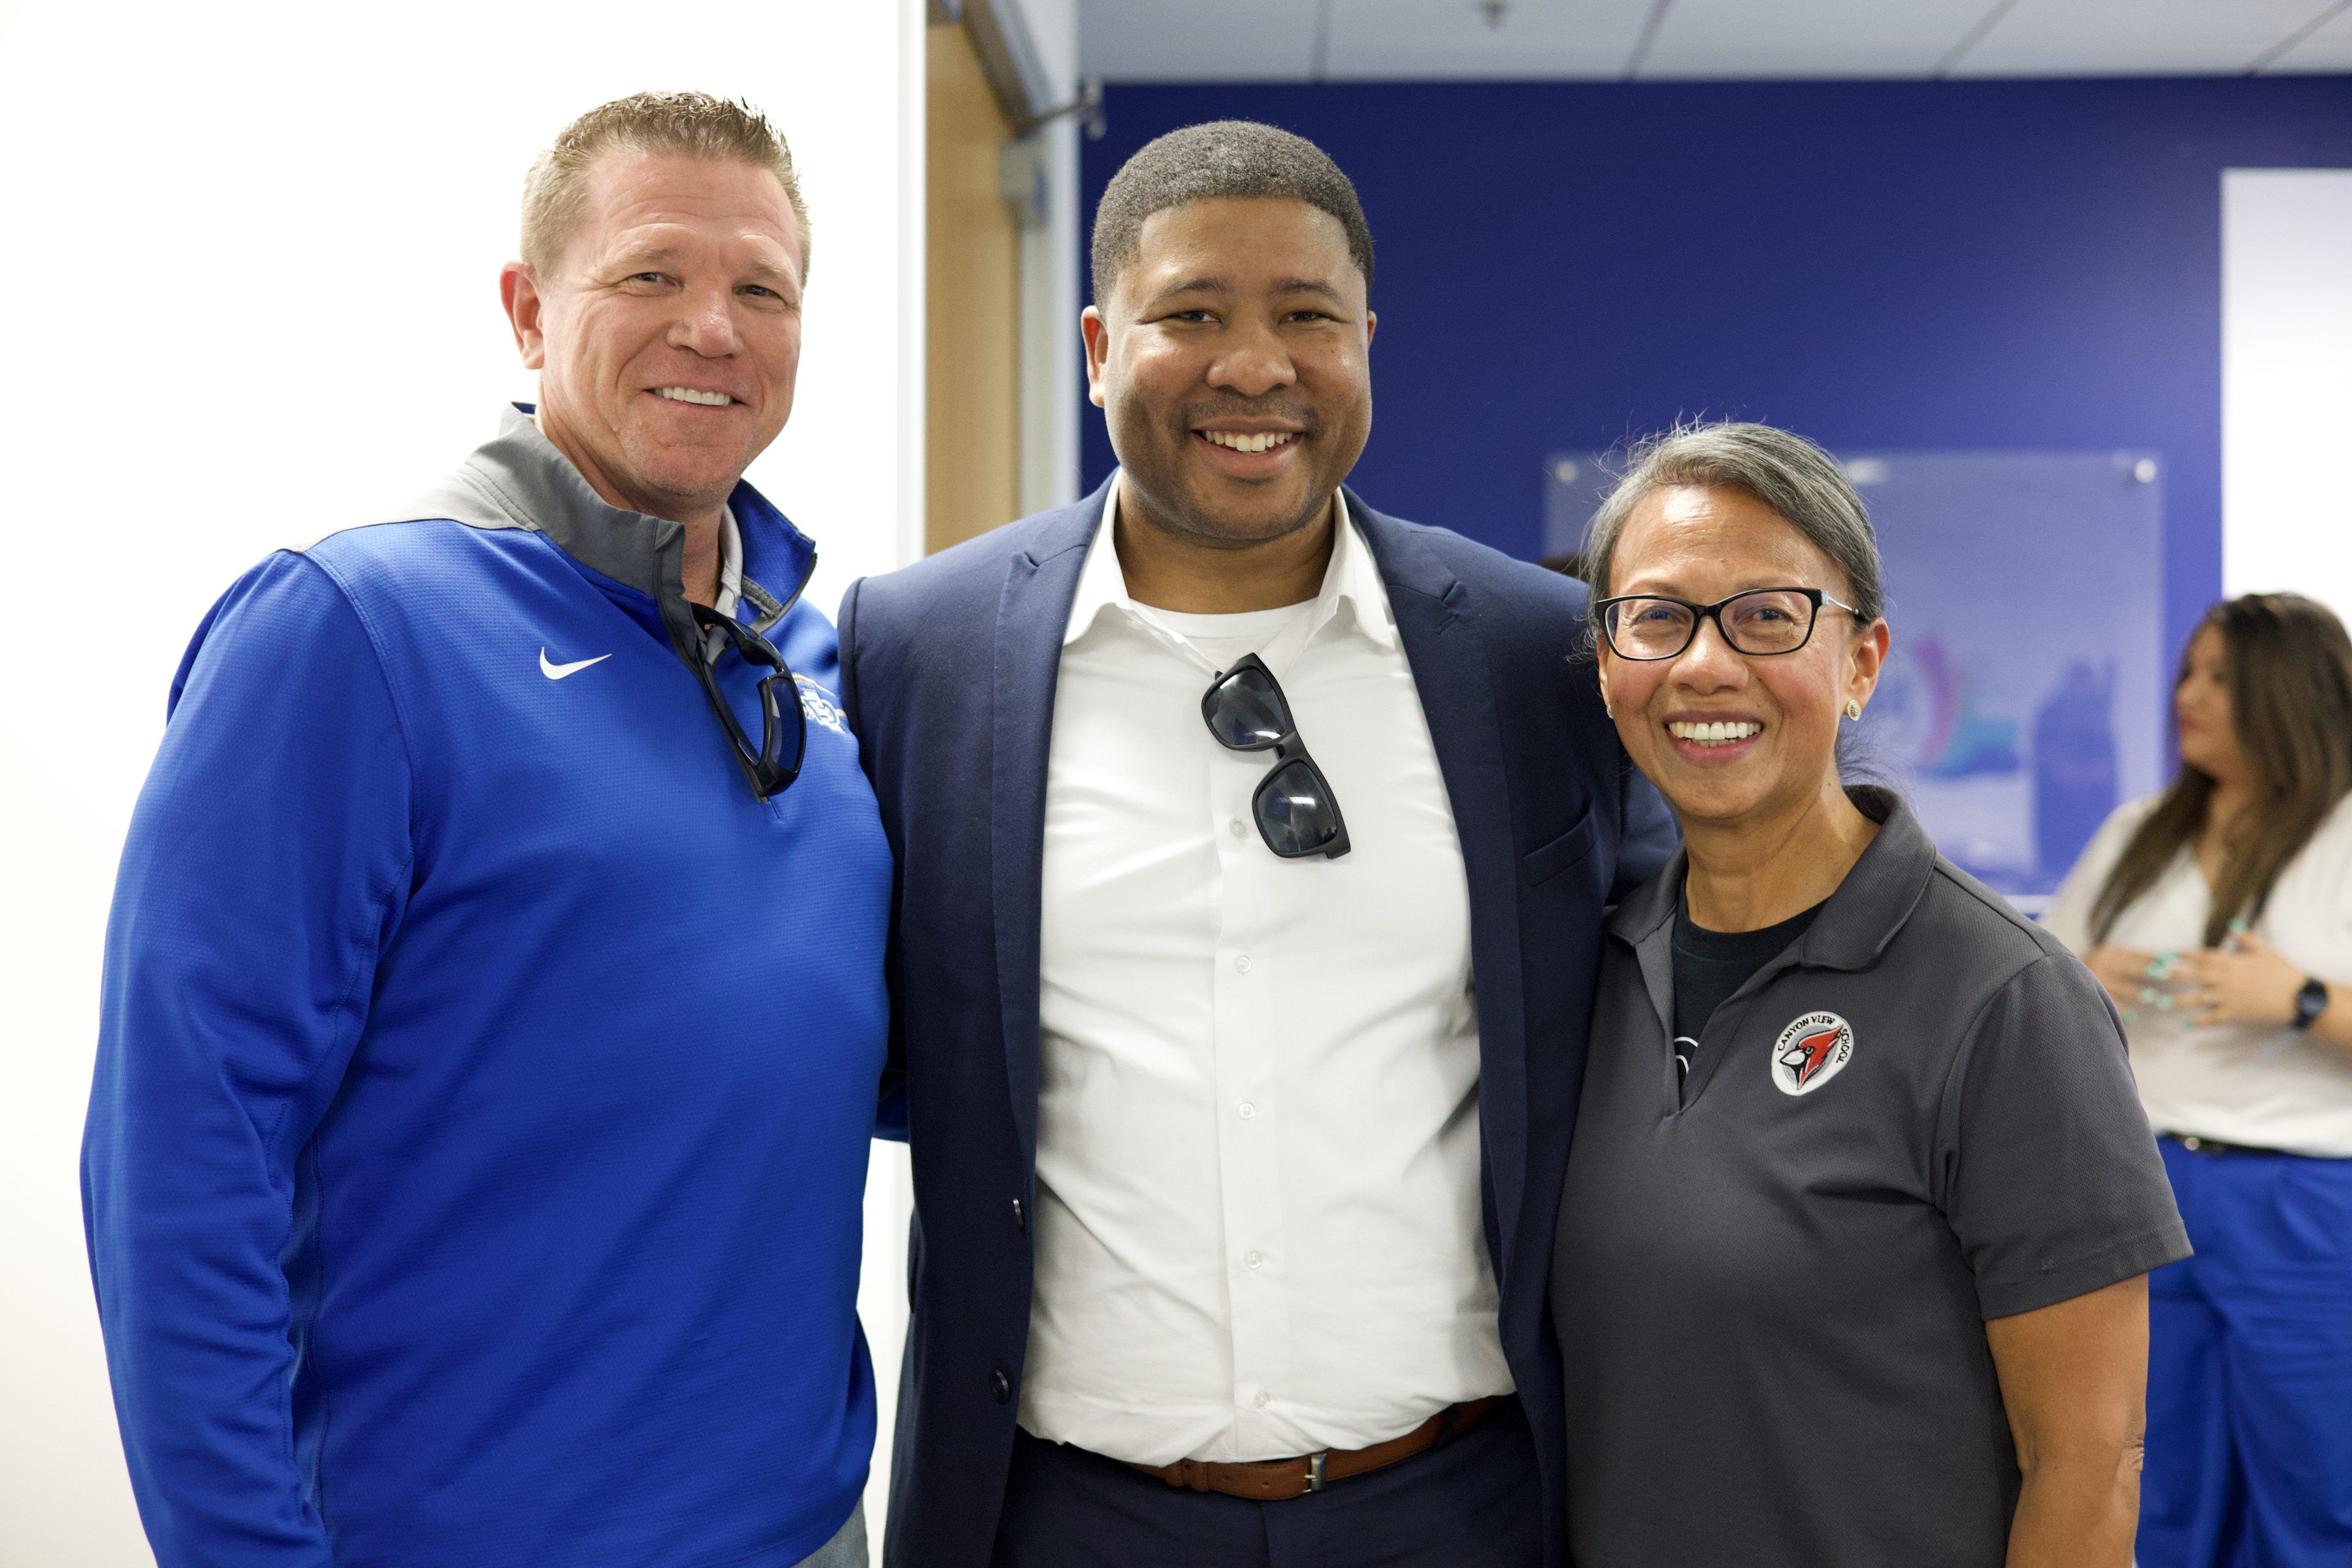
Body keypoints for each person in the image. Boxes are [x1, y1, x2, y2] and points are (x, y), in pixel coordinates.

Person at [839, 121, 1674, 1568]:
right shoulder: (924, 647)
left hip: (1458, 1500)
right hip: (1062, 1511)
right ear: (1100, 342)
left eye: (1306, 317)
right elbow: (885, 1032)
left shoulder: (1535, 657)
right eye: (1193, 314)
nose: (1255, 366)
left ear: (1367, 341)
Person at [82, 92, 888, 1568]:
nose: (713, 326)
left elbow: (834, 1055)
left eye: (761, 289)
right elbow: (184, 1155)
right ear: (529, 311)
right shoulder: (353, 628)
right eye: (651, 274)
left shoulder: (813, 668)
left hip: (805, 1531)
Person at [1552, 422, 2191, 1567]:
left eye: (1767, 615)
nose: (1706, 664)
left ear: (1862, 663)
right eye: (1657, 617)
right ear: (1606, 666)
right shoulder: (1587, 971)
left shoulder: (2006, 1001)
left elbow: (2091, 1467)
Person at [2044, 593, 2352, 1567]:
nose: (2190, 696)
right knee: (2154, 1488)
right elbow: (2034, 999)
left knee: (2322, 1489)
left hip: (2305, 1203)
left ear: (2293, 691)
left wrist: (2298, 1000)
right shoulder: (2140, 832)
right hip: (2140, 1189)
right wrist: (2086, 981)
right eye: (2188, 673)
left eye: (2221, 677)